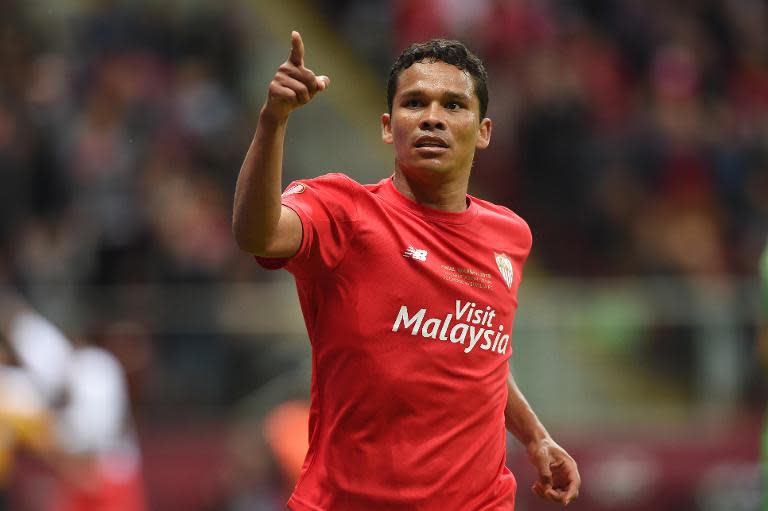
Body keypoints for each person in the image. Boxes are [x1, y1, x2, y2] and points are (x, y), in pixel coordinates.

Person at [233, 31, 580, 510]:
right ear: (386, 125)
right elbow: (258, 234)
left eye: (453, 105)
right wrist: (273, 122)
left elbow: (478, 355)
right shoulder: (345, 212)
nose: (432, 118)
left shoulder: (510, 236)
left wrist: (535, 436)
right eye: (414, 103)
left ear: (483, 131)